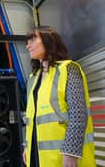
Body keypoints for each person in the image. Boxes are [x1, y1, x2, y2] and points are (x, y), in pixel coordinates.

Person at [23, 26, 96, 167]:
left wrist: (71, 152)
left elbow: (78, 114)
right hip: (37, 155)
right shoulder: (33, 78)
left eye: (33, 39)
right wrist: (27, 146)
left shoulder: (68, 69)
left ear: (48, 40)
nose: (28, 45)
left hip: (63, 156)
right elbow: (31, 119)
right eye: (27, 41)